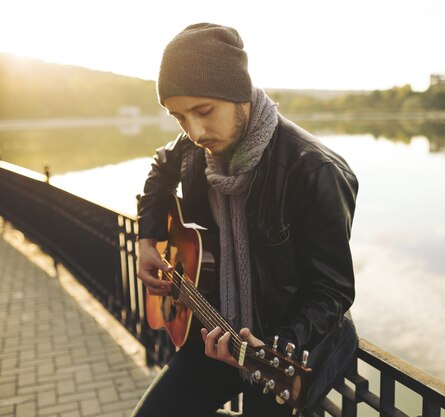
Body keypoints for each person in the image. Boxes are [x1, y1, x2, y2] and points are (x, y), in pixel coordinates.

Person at [132, 23, 358, 417]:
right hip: (215, 328)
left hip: (280, 351)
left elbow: (332, 291)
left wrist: (275, 343)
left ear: (237, 93)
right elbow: (160, 166)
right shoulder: (195, 150)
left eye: (204, 111)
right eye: (179, 117)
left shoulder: (313, 171)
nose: (195, 131)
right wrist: (148, 239)